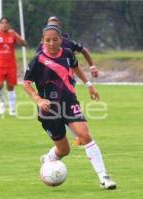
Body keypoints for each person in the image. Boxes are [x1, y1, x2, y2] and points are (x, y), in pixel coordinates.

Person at [23, 25, 116, 189]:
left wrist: (89, 85)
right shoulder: (38, 59)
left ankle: (104, 178)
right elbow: (26, 83)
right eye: (47, 40)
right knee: (64, 150)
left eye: (55, 39)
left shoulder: (67, 53)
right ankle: (49, 158)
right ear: (42, 41)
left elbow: (75, 67)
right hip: (49, 110)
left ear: (61, 40)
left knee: (85, 136)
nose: (51, 43)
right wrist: (38, 100)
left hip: (69, 103)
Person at [37, 16, 99, 145]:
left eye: (54, 25)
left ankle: (78, 135)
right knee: (57, 110)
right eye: (49, 25)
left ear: (59, 28)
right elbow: (38, 65)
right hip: (51, 86)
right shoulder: (42, 46)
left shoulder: (67, 43)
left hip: (67, 82)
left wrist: (92, 67)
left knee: (66, 107)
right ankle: (76, 135)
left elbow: (83, 51)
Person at [0, 17, 27, 115]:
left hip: (11, 65)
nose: (4, 25)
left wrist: (16, 34)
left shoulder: (12, 34)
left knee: (10, 87)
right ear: (0, 25)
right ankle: (2, 102)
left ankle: (12, 109)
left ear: (9, 24)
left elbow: (24, 44)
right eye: (2, 23)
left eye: (6, 23)